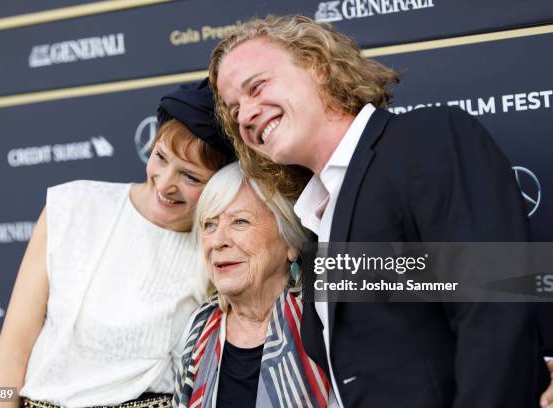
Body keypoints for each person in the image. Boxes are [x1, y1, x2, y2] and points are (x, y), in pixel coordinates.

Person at [209, 15, 549, 407]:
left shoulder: (425, 142)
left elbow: (496, 316)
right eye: (234, 110)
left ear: (317, 65)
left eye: (257, 87)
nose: (246, 115)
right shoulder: (317, 218)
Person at [0, 79, 235, 408]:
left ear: (221, 184)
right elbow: (12, 351)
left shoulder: (219, 249)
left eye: (190, 177)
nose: (165, 183)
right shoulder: (71, 206)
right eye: (161, 157)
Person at [173, 162, 329, 408]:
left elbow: (409, 271)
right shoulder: (199, 327)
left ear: (290, 243)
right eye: (209, 225)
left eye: (240, 222)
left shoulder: (324, 313)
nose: (218, 241)